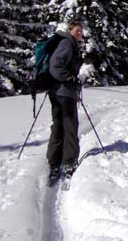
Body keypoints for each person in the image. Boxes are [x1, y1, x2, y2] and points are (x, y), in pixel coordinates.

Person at [46, 21, 83, 184]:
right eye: (77, 31)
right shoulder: (67, 43)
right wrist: (69, 78)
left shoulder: (65, 42)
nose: (79, 34)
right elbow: (55, 65)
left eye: (81, 32)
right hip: (64, 93)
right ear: (69, 30)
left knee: (58, 125)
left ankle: (54, 161)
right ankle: (68, 161)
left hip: (56, 91)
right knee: (69, 125)